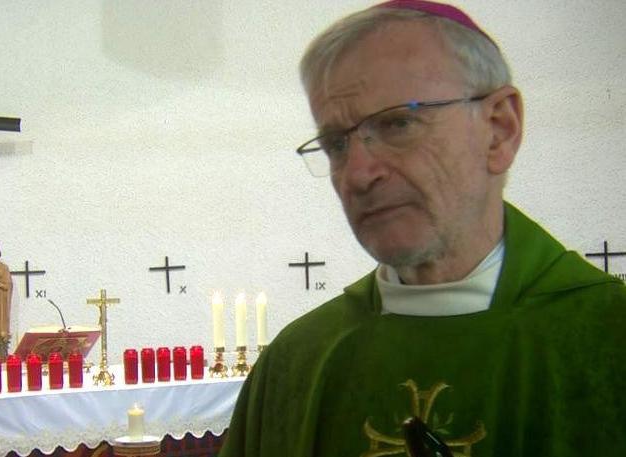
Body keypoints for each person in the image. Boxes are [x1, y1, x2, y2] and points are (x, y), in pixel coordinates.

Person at [220, 1, 626, 455]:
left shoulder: (609, 340)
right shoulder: (296, 364)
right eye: (336, 144)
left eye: (397, 123)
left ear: (499, 130)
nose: (357, 174)